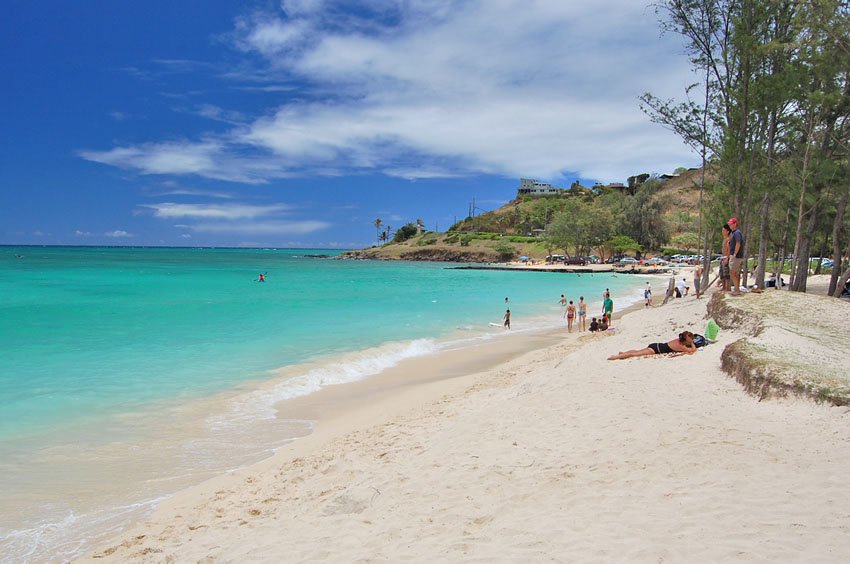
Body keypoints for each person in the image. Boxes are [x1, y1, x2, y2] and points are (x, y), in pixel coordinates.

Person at [607, 331, 697, 360]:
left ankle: (623, 353)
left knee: (637, 351)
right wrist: (692, 343)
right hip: (656, 349)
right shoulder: (681, 346)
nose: (691, 341)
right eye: (690, 340)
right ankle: (615, 357)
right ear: (686, 341)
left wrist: (689, 341)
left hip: (656, 345)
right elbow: (692, 350)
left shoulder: (678, 340)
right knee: (634, 354)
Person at [728, 217, 745, 295]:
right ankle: (736, 289)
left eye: (731, 224)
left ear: (735, 224)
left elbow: (738, 243)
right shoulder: (735, 233)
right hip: (737, 255)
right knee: (735, 272)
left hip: (736, 256)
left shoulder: (737, 233)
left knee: (733, 272)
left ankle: (737, 290)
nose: (730, 225)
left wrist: (735, 253)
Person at [720, 223, 732, 291]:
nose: (722, 232)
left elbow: (729, 249)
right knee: (722, 274)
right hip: (723, 257)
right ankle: (724, 287)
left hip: (726, 257)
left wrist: (727, 258)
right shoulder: (725, 239)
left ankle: (727, 288)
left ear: (727, 231)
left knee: (726, 274)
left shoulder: (728, 239)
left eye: (724, 230)